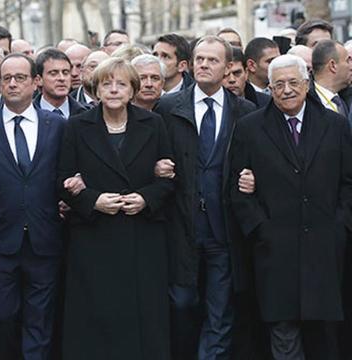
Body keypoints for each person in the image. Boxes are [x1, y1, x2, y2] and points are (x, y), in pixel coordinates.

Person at [230, 54, 352, 360]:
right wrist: (261, 229)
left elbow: (348, 182)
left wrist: (340, 226)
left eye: (293, 82)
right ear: (269, 89)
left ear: (307, 83)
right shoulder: (250, 127)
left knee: (323, 336)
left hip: (325, 248)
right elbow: (237, 189)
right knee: (283, 335)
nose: (286, 90)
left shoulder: (335, 125)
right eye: (278, 84)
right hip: (275, 251)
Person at [58, 55, 175, 359]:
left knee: (143, 318)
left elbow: (169, 178)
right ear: (95, 90)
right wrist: (93, 200)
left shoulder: (154, 123)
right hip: (95, 237)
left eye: (121, 84)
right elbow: (62, 180)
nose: (113, 90)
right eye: (106, 84)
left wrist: (146, 198)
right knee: (97, 317)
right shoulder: (76, 126)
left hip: (141, 237)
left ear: (132, 90)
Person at [154, 35, 256, 360]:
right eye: (199, 59)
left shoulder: (245, 112)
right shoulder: (169, 107)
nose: (203, 65)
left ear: (228, 68)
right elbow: (155, 154)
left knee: (220, 311)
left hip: (224, 229)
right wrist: (157, 168)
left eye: (212, 60)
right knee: (182, 303)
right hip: (182, 225)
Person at [0, 52, 66, 360]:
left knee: (40, 320)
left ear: (36, 82)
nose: (11, 84)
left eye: (20, 77)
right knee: (0, 318)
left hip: (45, 239)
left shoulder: (58, 126)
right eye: (6, 77)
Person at [33, 49, 86, 119]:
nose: (61, 78)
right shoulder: (29, 114)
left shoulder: (86, 113)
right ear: (39, 80)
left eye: (65, 72)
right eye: (53, 73)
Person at [309, 39, 352, 119]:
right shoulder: (306, 103)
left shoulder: (346, 99)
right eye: (347, 61)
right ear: (333, 66)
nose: (351, 67)